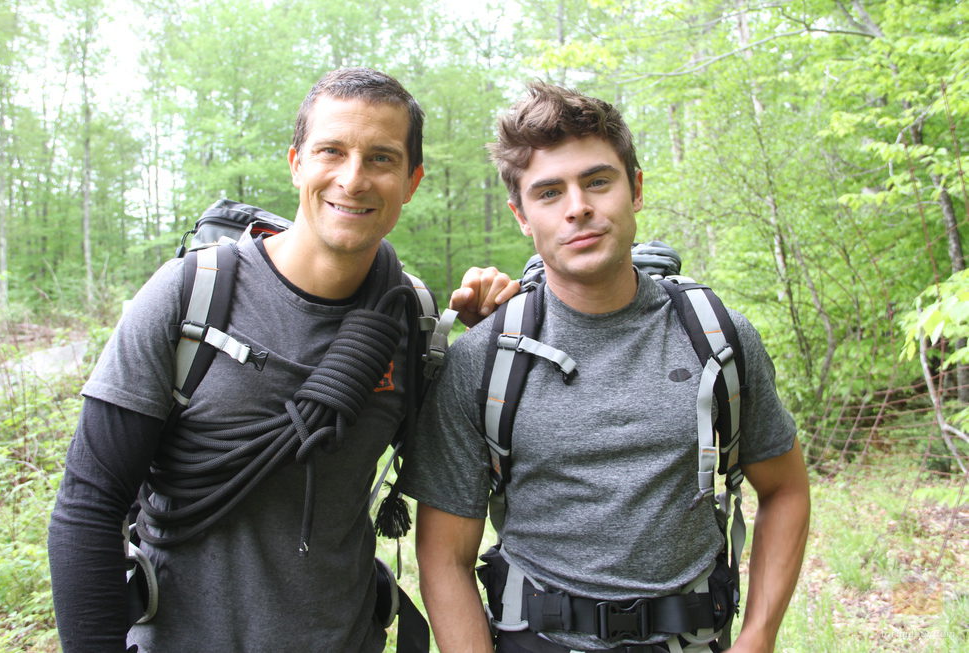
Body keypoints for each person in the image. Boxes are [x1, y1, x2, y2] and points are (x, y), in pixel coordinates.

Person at [48, 67, 518, 653]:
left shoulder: (413, 320)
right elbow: (89, 506)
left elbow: (468, 471)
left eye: (381, 158)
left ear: (411, 180)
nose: (353, 178)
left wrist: (483, 340)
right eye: (331, 151)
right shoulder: (191, 295)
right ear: (297, 162)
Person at [401, 82, 810, 653]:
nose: (578, 208)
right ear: (521, 215)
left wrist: (759, 637)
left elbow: (785, 489)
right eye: (549, 192)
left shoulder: (717, 337)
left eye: (597, 181)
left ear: (635, 188)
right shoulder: (482, 360)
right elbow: (444, 557)